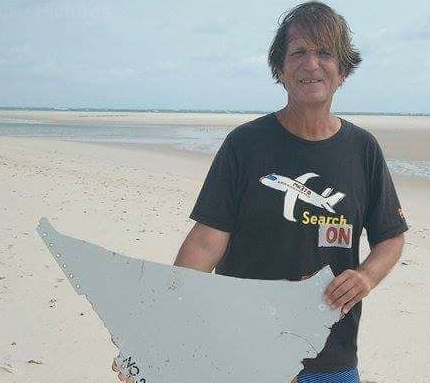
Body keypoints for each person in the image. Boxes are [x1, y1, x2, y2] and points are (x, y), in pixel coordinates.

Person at [113, 2, 407, 382]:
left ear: (343, 71)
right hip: (242, 344)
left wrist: (366, 276)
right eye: (298, 52)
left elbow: (391, 237)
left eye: (324, 53)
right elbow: (205, 243)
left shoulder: (362, 150)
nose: (311, 64)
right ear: (280, 70)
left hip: (329, 353)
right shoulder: (246, 145)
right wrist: (161, 327)